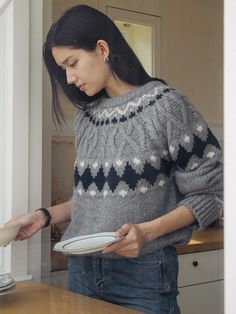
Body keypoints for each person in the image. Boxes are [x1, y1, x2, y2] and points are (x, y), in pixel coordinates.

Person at [7, 4, 223, 314]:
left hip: (143, 273)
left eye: (72, 63)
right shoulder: (86, 118)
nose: (68, 79)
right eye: (63, 70)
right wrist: (42, 216)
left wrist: (147, 232)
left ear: (102, 48)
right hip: (82, 270)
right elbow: (95, 199)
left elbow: (210, 194)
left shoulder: (167, 106)